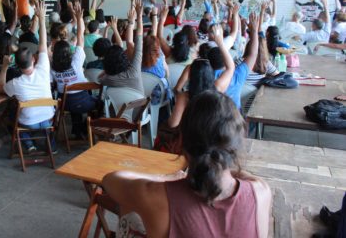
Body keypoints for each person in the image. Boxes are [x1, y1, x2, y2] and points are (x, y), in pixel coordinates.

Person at [103, 90, 271, 238]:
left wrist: (165, 177)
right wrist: (221, 165)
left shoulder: (156, 196)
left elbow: (110, 179)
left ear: (181, 141)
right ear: (236, 143)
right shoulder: (261, 192)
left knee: (129, 219)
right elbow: (244, 177)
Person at [0, 0, 55, 153]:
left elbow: (0, 88)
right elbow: (43, 44)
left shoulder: (16, 82)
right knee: (44, 123)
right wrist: (42, 19)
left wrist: (4, 67)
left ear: (17, 64)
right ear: (34, 60)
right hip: (49, 119)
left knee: (15, 118)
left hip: (29, 122)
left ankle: (29, 144)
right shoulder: (43, 68)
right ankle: (51, 144)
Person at [168, 24, 235, 129]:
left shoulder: (184, 97)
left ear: (191, 77)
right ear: (211, 74)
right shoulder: (217, 89)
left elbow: (173, 124)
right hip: (212, 139)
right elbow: (231, 68)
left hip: (191, 140)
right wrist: (220, 43)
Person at [51, 3, 96, 139]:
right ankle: (87, 129)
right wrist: (79, 17)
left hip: (66, 104)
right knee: (99, 104)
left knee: (74, 101)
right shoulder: (76, 63)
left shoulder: (52, 68)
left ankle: (77, 131)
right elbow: (81, 38)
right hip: (84, 102)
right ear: (69, 53)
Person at [208, 12, 259, 110]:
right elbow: (253, 54)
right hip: (234, 122)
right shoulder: (236, 75)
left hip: (210, 122)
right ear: (227, 59)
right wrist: (254, 31)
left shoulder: (204, 76)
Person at [99, 0, 144, 97]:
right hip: (138, 111)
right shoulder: (134, 71)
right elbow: (137, 38)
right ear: (124, 59)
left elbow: (99, 78)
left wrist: (108, 68)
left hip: (117, 111)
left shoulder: (107, 79)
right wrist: (138, 17)